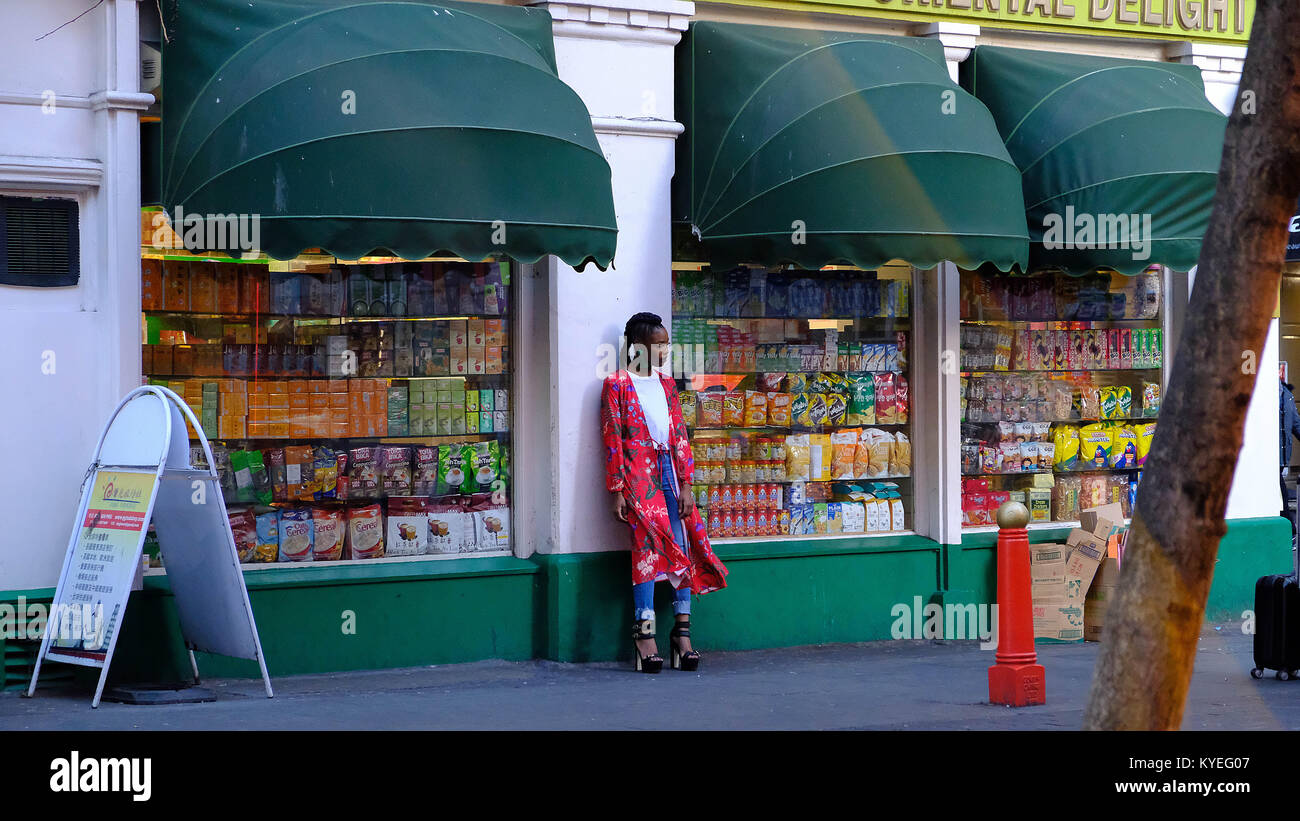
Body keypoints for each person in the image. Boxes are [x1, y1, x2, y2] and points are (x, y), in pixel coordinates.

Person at [601, 312, 728, 673]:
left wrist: (687, 484)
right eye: (659, 345)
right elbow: (613, 439)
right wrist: (617, 490)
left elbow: (680, 437)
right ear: (639, 346)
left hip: (671, 476)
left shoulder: (667, 385)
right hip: (639, 480)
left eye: (666, 344)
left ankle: (682, 635)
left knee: (682, 549)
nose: (665, 351)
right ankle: (645, 637)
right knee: (645, 553)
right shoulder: (617, 384)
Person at [1280, 365, 1300, 530]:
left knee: (1282, 491)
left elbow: (1296, 424)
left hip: (1282, 456)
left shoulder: (1287, 396)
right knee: (1282, 492)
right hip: (1270, 455)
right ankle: (1290, 529)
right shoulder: (1264, 396)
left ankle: (1290, 529)